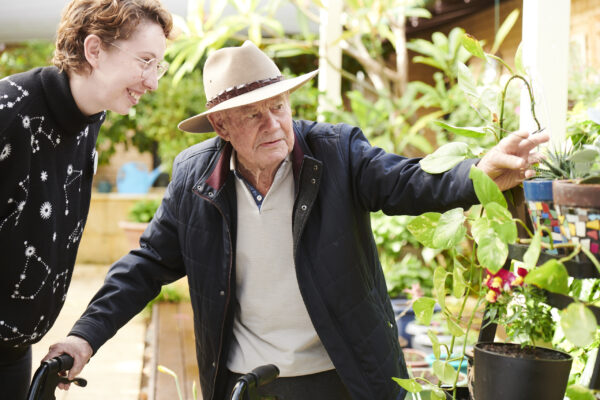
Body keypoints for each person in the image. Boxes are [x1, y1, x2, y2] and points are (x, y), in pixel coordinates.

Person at [45, 41, 549, 400]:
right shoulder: (195, 179)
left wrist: (477, 174)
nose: (274, 125)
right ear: (221, 125)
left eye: (279, 107)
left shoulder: (337, 152)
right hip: (248, 382)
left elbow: (407, 182)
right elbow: (147, 265)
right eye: (253, 115)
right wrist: (85, 336)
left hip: (343, 375)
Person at [0, 1, 172, 398]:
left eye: (157, 65)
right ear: (94, 50)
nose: (153, 82)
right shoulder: (9, 111)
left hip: (13, 353)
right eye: (145, 61)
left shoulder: (90, 120)